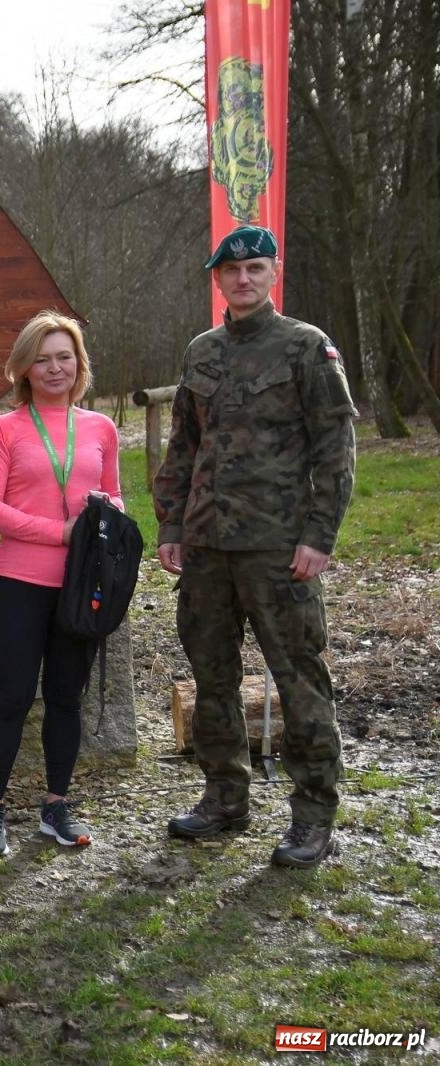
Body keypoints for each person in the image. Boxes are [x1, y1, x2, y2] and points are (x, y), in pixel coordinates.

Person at [156, 225, 356, 869]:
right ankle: (224, 797)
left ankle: (313, 813)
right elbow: (184, 446)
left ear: (273, 275)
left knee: (299, 680)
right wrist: (171, 525)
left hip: (278, 549)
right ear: (218, 278)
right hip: (209, 546)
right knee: (212, 678)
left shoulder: (306, 348)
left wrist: (319, 536)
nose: (243, 279)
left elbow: (335, 450)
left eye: (256, 269)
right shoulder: (202, 352)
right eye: (231, 271)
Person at [0, 312, 123, 856]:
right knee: (11, 698)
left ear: (79, 365)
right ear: (24, 369)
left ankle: (56, 805)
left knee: (65, 697)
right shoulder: (3, 430)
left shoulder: (101, 428)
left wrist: (102, 517)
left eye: (65, 356)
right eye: (43, 358)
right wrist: (59, 532)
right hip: (20, 581)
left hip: (81, 587)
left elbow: (115, 497)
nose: (55, 367)